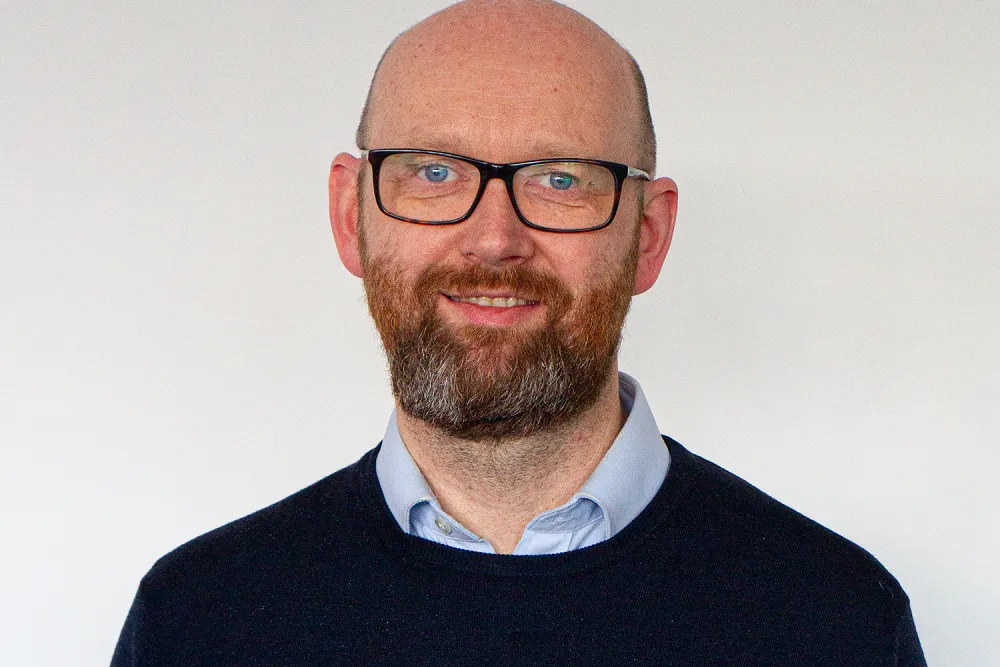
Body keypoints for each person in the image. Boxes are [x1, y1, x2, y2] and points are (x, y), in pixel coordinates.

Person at [111, 1, 926, 664]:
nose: (494, 239)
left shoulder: (841, 620)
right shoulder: (197, 621)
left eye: (560, 179)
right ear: (349, 215)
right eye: (434, 171)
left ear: (648, 235)